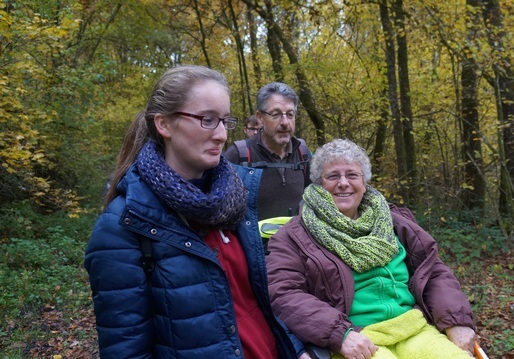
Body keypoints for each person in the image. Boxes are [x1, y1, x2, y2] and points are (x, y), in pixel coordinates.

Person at [84, 65, 309, 359]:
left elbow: (258, 298)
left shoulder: (236, 198)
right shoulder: (125, 226)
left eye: (224, 121)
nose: (220, 135)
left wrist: (296, 348)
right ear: (164, 124)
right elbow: (126, 350)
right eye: (207, 120)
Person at [266, 139, 476, 359]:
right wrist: (340, 334)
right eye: (333, 176)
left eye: (352, 175)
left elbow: (432, 270)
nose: (344, 183)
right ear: (318, 184)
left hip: (414, 327)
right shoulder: (292, 236)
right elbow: (284, 293)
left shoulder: (396, 222)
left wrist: (456, 320)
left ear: (364, 183)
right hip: (357, 338)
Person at [225, 82, 311, 221]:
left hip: (296, 242)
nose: (285, 122)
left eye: (290, 114)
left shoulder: (303, 152)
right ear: (260, 117)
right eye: (276, 114)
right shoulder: (238, 155)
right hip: (252, 242)